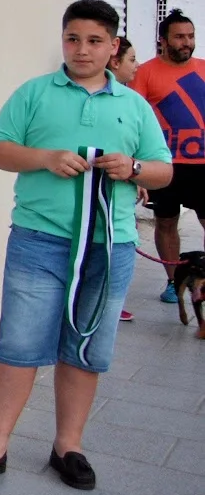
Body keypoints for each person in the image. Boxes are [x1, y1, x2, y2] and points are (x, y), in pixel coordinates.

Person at [0, 0, 170, 493]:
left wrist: (134, 169)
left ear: (113, 46)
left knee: (86, 346)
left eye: (94, 41)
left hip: (109, 246)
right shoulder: (34, 93)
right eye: (73, 39)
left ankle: (67, 446)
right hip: (39, 241)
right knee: (18, 344)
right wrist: (46, 158)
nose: (82, 50)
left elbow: (163, 171)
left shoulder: (134, 105)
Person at [130, 10, 205, 306]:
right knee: (165, 223)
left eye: (191, 36)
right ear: (162, 40)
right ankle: (174, 282)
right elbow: (133, 121)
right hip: (165, 164)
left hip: (203, 165)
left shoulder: (203, 69)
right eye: (179, 37)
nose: (187, 42)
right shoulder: (145, 73)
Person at [112, 35, 138, 321]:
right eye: (131, 59)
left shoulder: (132, 102)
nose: (136, 65)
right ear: (115, 61)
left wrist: (136, 172)